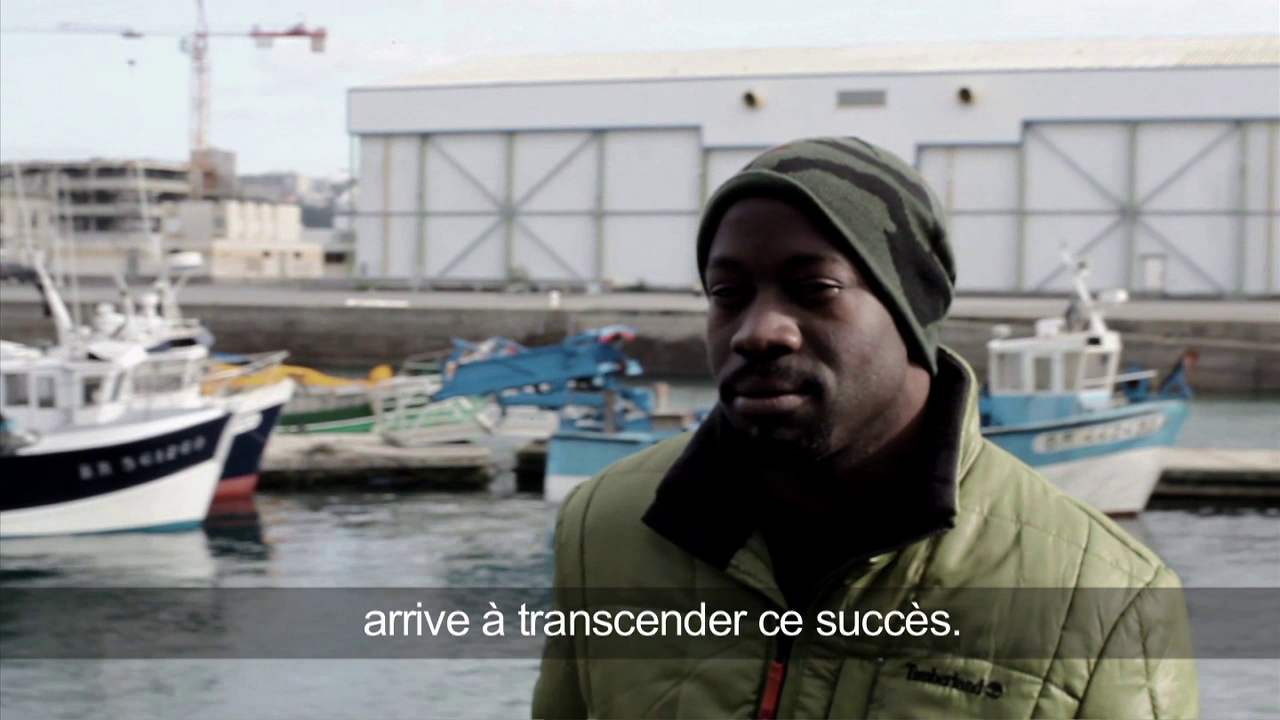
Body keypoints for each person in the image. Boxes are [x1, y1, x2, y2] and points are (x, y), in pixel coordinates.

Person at [531, 137, 1198, 719]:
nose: (759, 330)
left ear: (912, 314)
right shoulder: (607, 528)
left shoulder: (1107, 601)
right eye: (727, 294)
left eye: (815, 288)